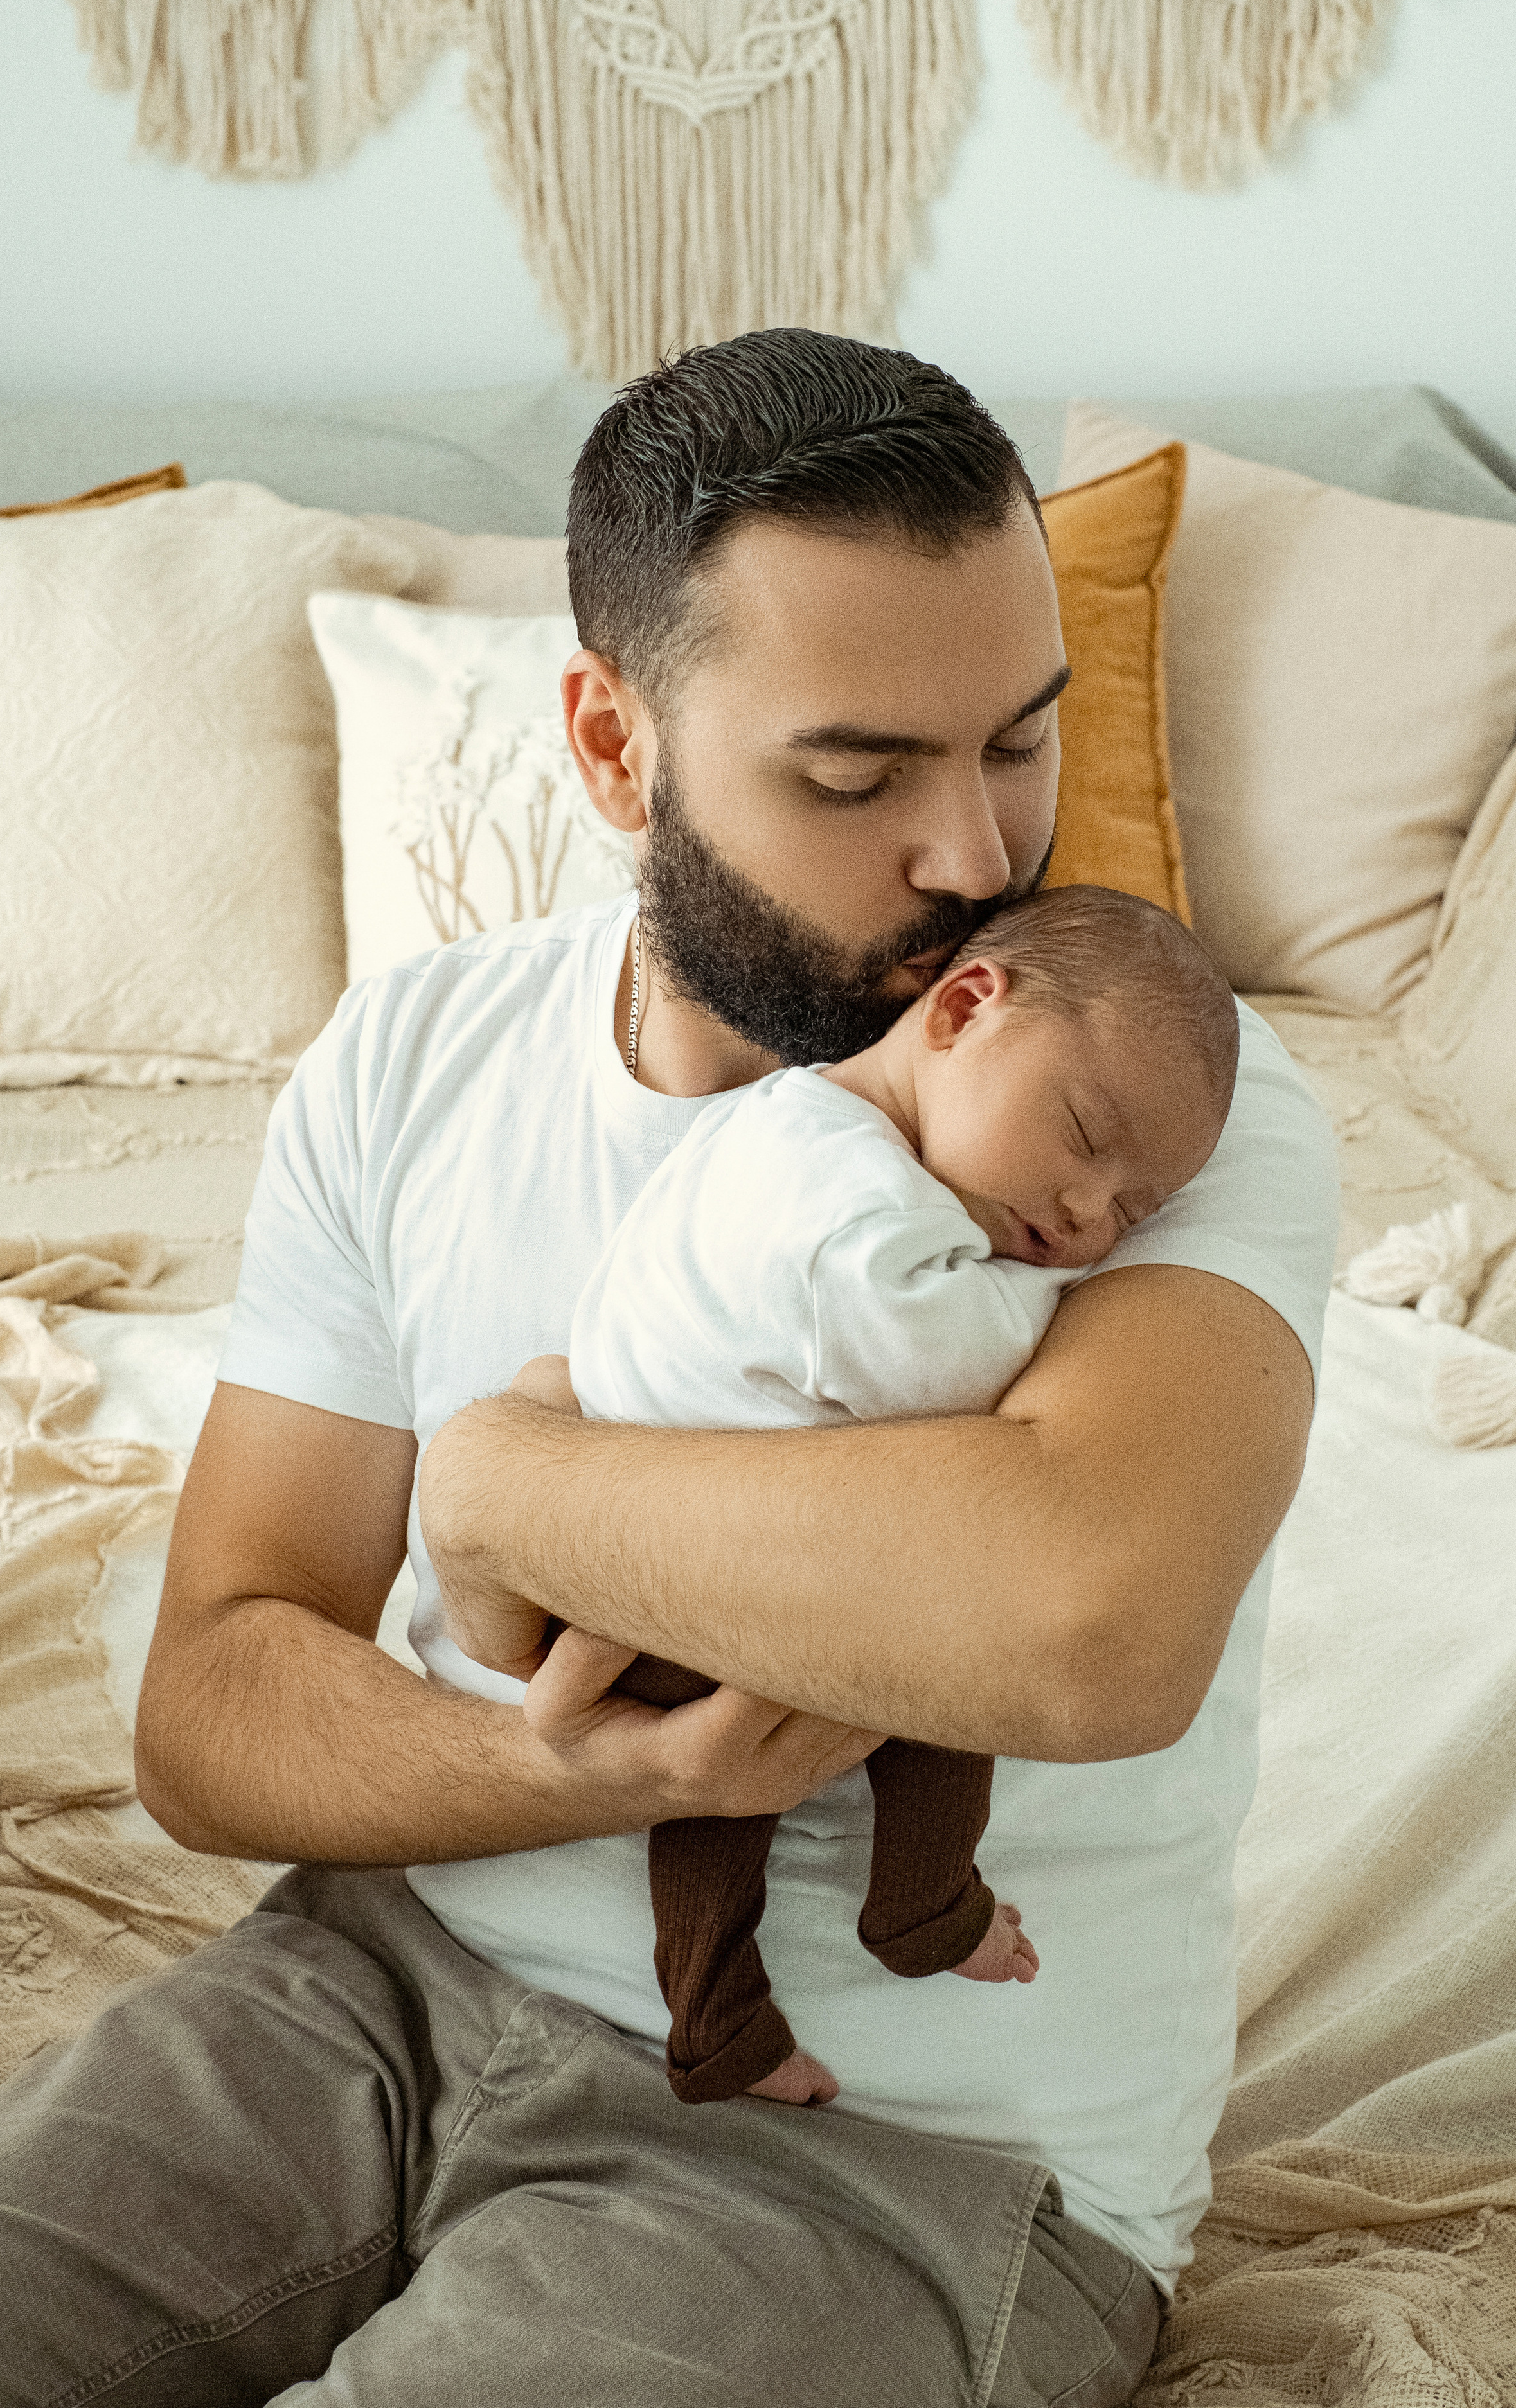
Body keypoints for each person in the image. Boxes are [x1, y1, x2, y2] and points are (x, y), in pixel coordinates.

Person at [0, 330, 1338, 2408]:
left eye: (1023, 745)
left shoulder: (1140, 1114)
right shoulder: (410, 1065)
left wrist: (502, 1481)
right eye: (857, 778)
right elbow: (216, 1703)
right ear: (611, 746)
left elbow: (1083, 1628)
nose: (979, 857)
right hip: (364, 1988)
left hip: (888, 2160)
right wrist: (563, 1773)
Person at [486, 882, 1240, 2111]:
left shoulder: (783, 1120)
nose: (1087, 1215)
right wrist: (1085, 1309)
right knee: (956, 1679)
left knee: (714, 1824)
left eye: (1135, 1211)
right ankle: (926, 1905)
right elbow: (941, 1359)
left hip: (641, 1554)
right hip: (707, 1570)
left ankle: (718, 2027)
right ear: (964, 1006)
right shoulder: (860, 1211)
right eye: (1085, 1138)